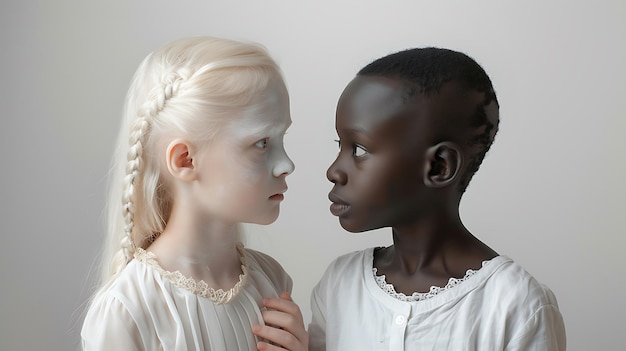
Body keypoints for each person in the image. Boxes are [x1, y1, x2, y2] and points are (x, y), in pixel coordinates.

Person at [309, 47, 566, 350]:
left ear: (439, 166)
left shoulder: (516, 305)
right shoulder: (339, 284)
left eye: (359, 150)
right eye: (340, 145)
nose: (333, 171)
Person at [81, 36, 308, 351]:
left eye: (282, 138)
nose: (286, 165)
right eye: (262, 143)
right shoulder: (129, 310)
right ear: (185, 160)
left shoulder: (271, 282)